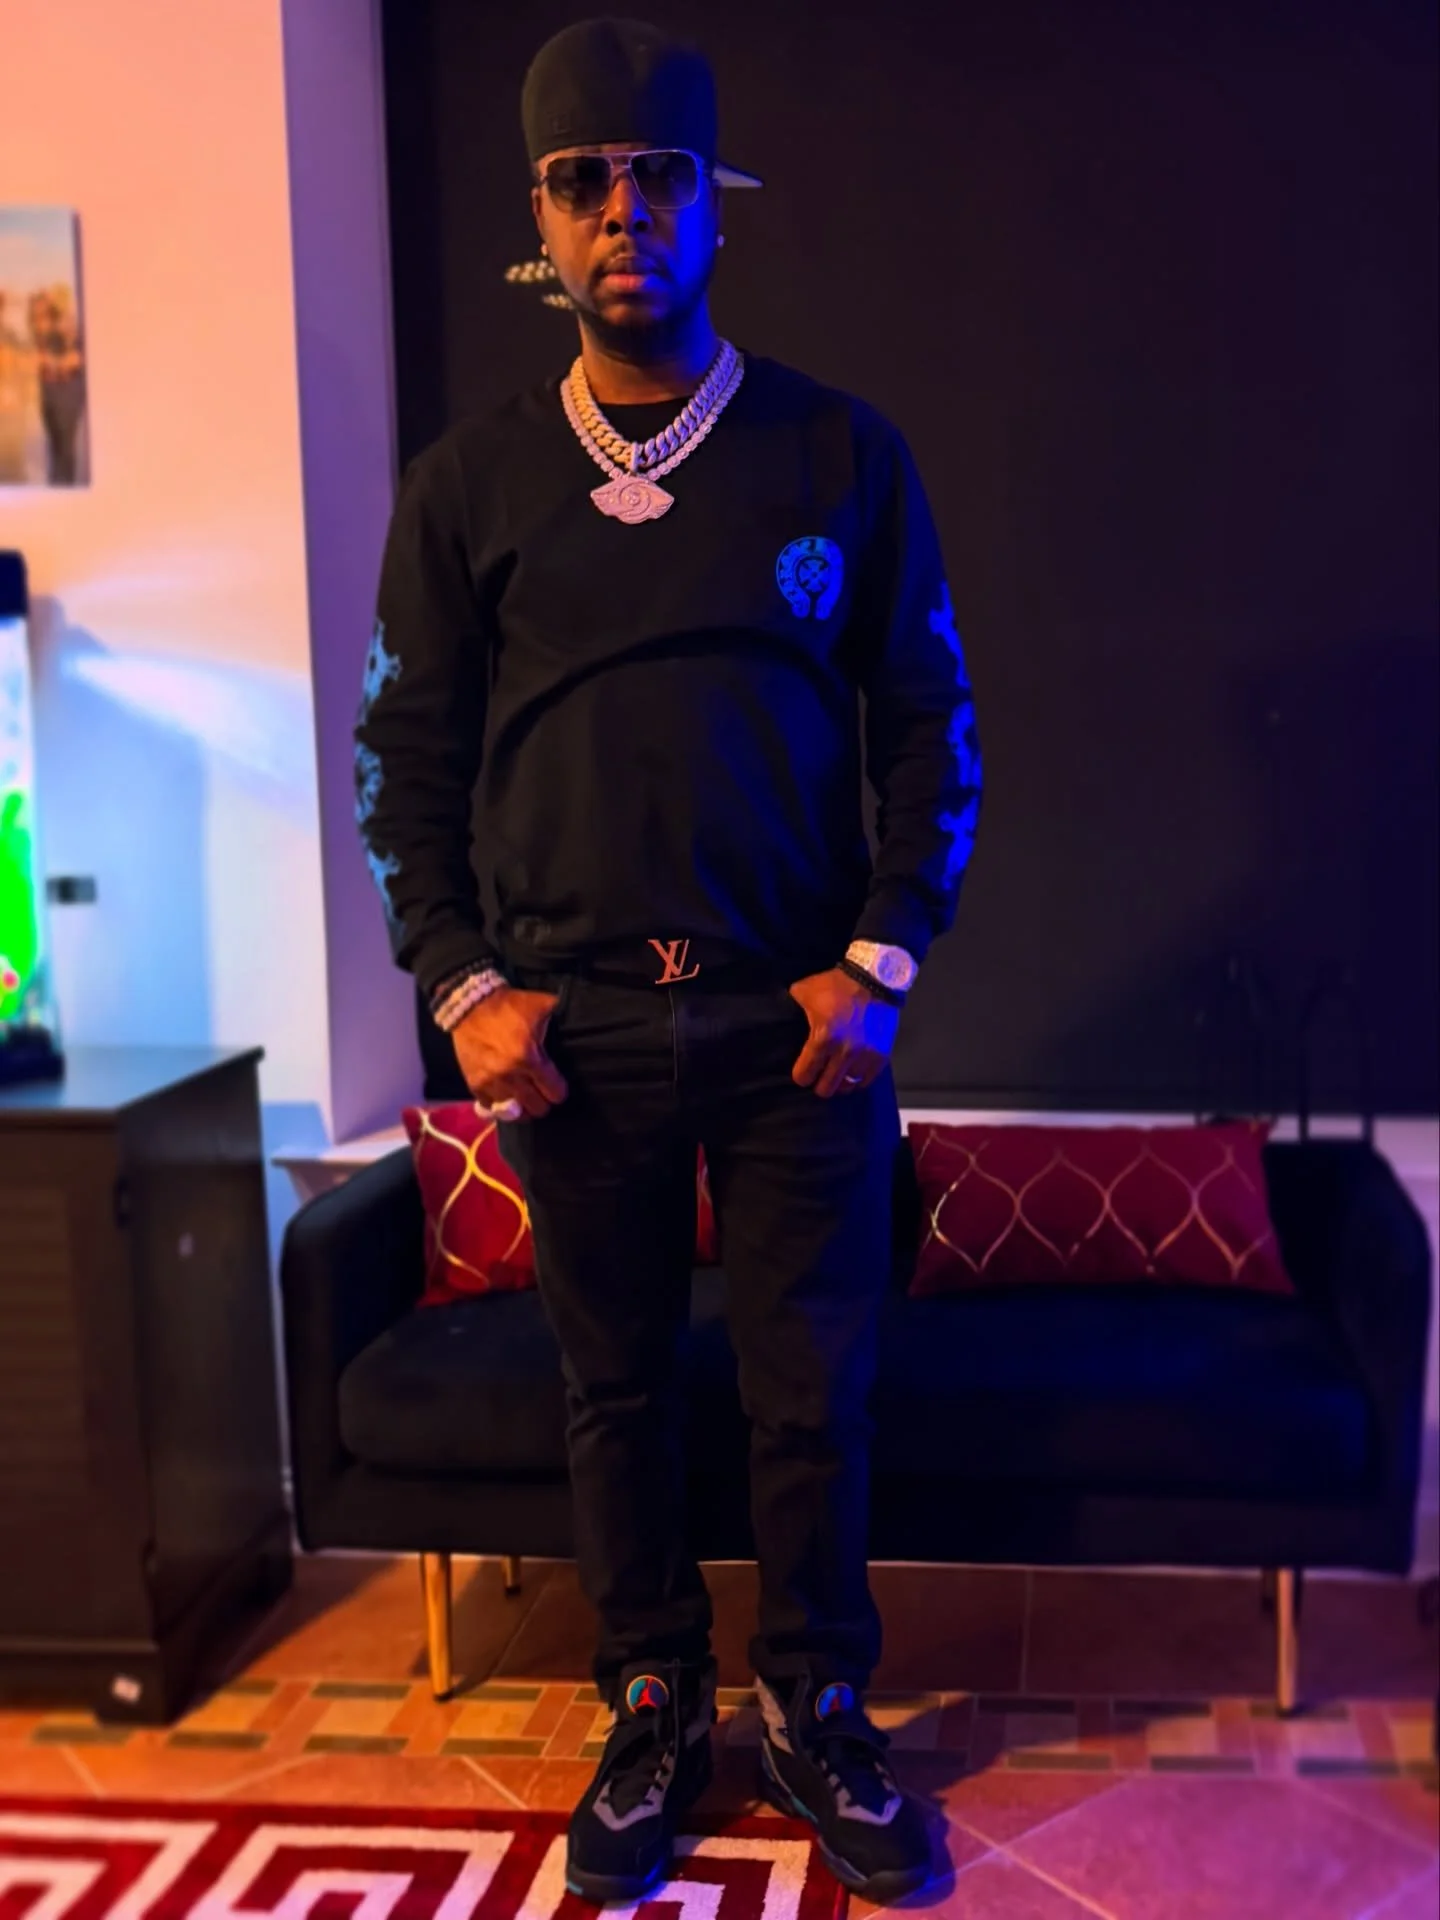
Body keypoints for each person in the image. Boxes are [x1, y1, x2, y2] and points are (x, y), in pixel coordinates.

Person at [356, 15, 982, 1906]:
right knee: (614, 1391)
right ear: (541, 222)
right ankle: (649, 1699)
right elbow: (402, 763)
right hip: (575, 1034)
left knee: (814, 1394)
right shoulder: (467, 485)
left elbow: (930, 729)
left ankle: (815, 1705)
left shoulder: (840, 454)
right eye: (583, 183)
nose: (622, 212)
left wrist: (882, 958)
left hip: (800, 1025)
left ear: (717, 208)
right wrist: (464, 987)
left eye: (659, 177)